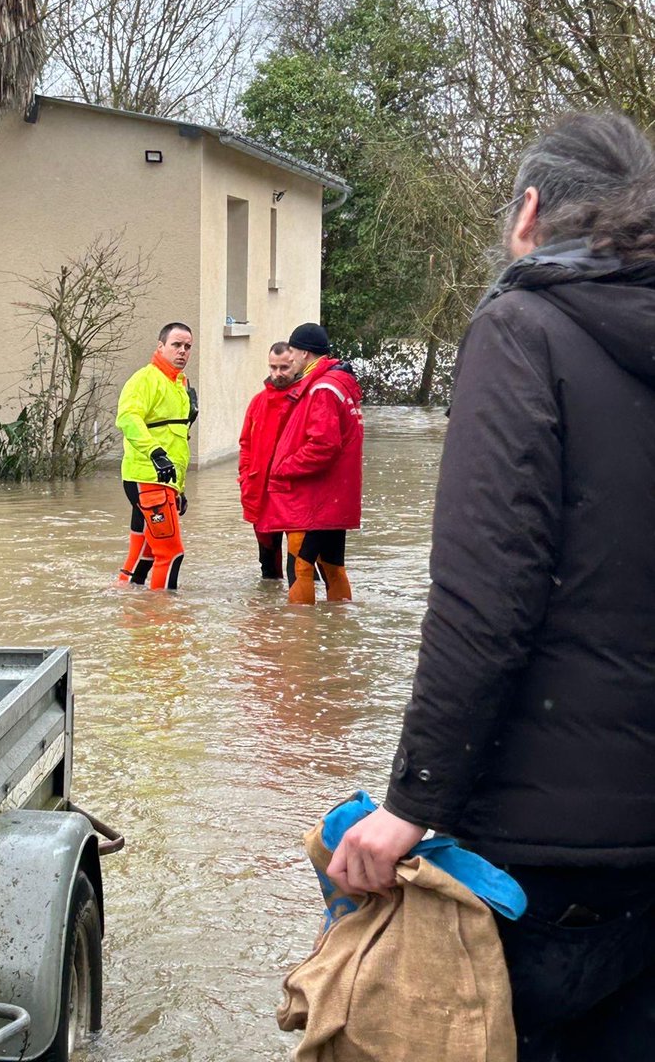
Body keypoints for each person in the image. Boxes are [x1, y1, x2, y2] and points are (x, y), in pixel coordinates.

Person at [326, 111, 655, 1062]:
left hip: (545, 859)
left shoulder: (523, 330)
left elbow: (486, 599)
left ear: (529, 213)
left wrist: (412, 802)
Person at [258, 323, 363, 604]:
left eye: (292, 351)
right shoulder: (338, 383)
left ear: (304, 353)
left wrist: (282, 467)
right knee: (332, 566)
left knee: (301, 567)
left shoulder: (322, 388)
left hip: (315, 500)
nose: (290, 357)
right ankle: (337, 624)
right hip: (333, 499)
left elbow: (324, 445)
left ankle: (298, 629)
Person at [116, 321, 196, 590]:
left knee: (148, 550)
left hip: (161, 481)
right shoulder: (145, 379)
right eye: (176, 345)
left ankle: (126, 594)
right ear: (161, 347)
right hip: (148, 478)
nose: (182, 351)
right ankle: (163, 611)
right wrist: (155, 452)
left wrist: (179, 489)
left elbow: (177, 441)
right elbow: (128, 418)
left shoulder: (180, 384)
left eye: (187, 346)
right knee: (171, 553)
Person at [238, 341, 298, 579]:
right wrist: (245, 476)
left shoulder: (305, 399)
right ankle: (270, 602)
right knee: (268, 566)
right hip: (261, 491)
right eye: (273, 367)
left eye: (284, 368)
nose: (278, 373)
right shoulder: (258, 401)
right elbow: (245, 443)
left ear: (295, 364)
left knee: (302, 564)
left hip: (293, 493)